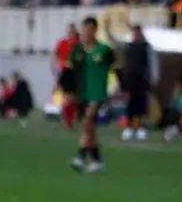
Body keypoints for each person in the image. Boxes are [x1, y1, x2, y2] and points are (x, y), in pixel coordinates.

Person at [69, 16, 116, 172]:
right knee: (90, 128)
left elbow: (116, 62)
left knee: (88, 121)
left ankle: (80, 156)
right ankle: (97, 160)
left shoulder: (103, 49)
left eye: (91, 29)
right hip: (83, 93)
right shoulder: (78, 51)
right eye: (85, 29)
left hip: (98, 93)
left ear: (95, 31)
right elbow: (70, 70)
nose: (87, 32)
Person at [119, 24, 152, 142]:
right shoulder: (129, 47)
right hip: (130, 80)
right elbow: (125, 64)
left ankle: (141, 128)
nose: (136, 35)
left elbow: (151, 64)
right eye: (134, 33)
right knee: (130, 105)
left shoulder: (146, 47)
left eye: (138, 33)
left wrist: (152, 78)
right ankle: (129, 127)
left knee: (141, 105)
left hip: (142, 80)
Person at [54, 24, 80, 130]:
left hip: (77, 72)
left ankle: (70, 118)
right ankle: (67, 119)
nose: (71, 34)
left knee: (75, 98)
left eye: (73, 32)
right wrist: (63, 63)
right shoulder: (62, 43)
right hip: (66, 71)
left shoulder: (79, 44)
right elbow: (56, 56)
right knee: (67, 98)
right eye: (69, 32)